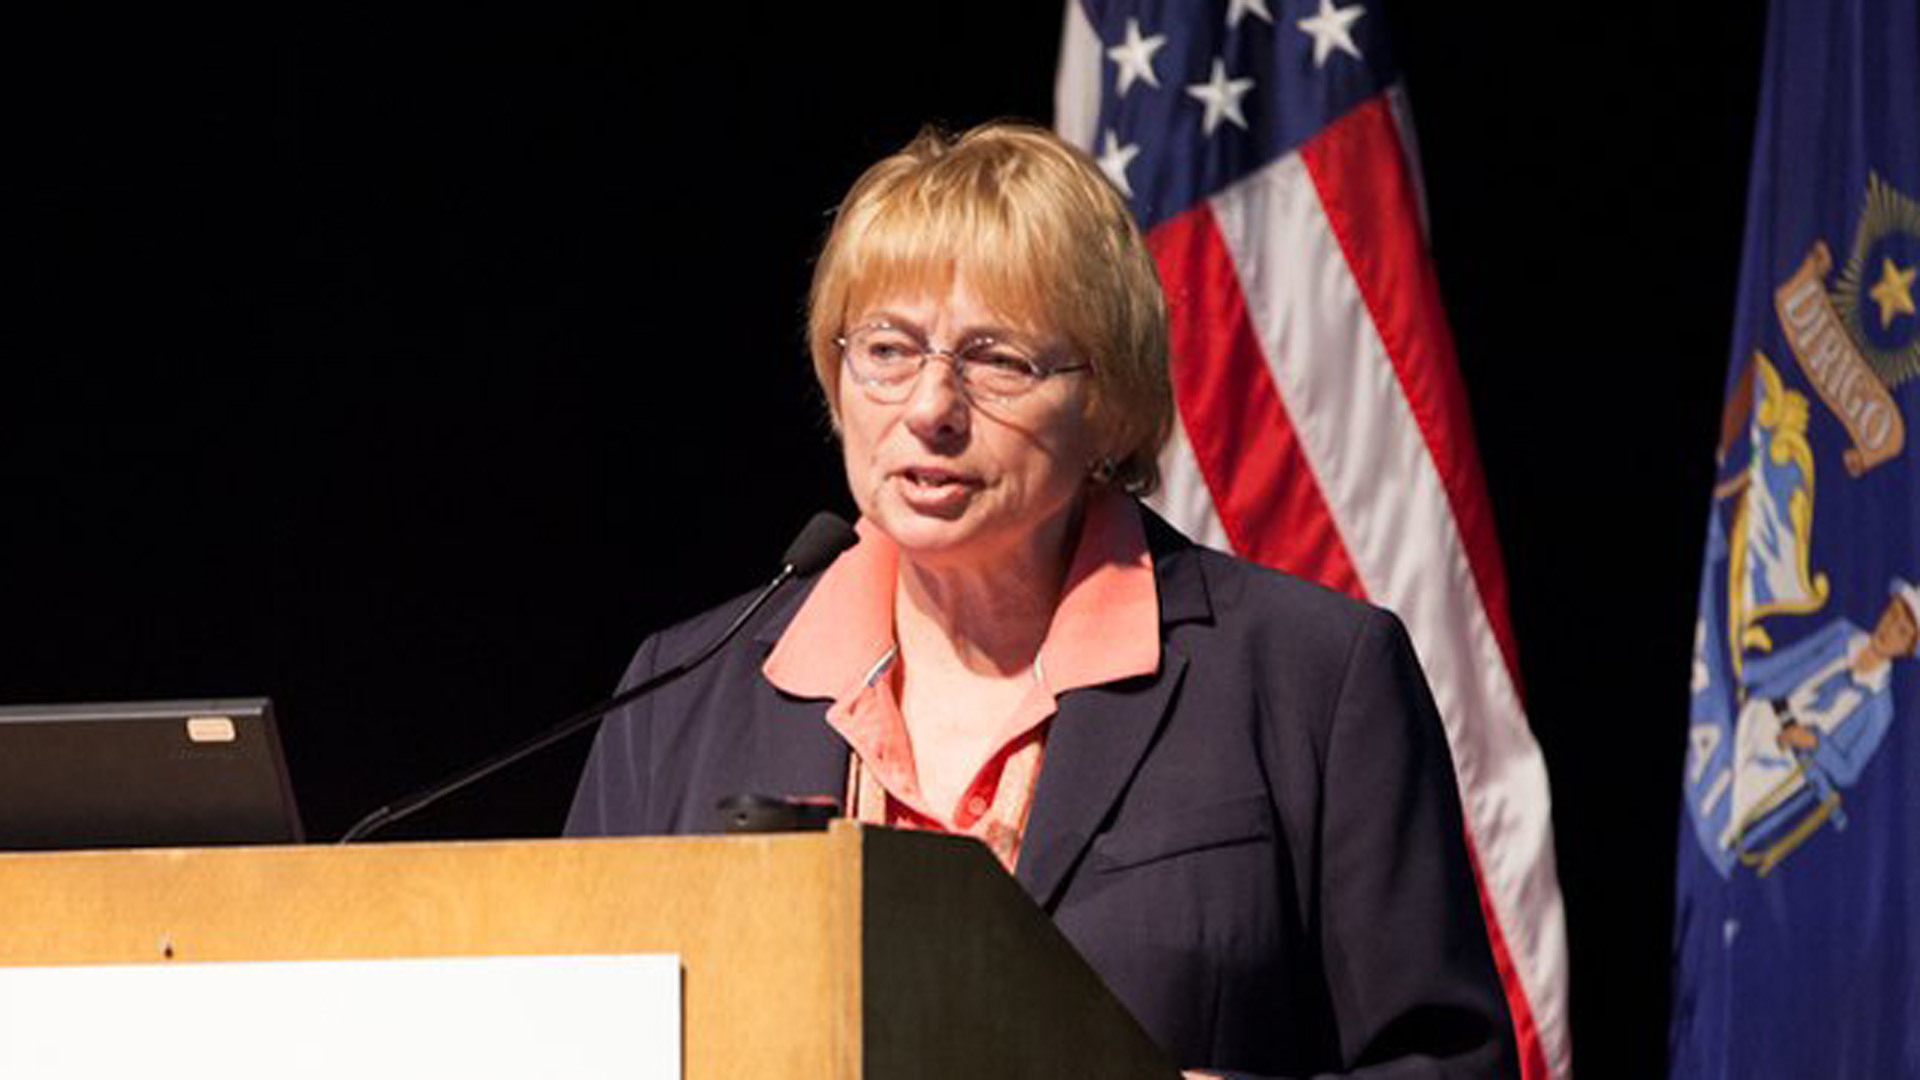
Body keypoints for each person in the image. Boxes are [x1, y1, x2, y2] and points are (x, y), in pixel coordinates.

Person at [567, 121, 1517, 1080]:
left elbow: (1451, 1063)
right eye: (888, 350)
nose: (932, 408)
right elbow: (575, 1036)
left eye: (999, 360)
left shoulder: (1311, 675)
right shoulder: (679, 700)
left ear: (1107, 400)